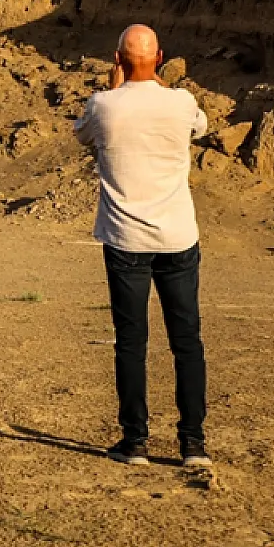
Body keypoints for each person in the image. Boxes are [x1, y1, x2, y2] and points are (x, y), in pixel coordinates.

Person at [75, 24, 212, 468]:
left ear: (116, 60)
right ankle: (193, 445)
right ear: (161, 57)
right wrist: (155, 82)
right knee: (186, 341)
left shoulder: (102, 105)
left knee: (131, 343)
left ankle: (135, 442)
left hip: (125, 239)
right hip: (177, 237)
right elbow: (200, 126)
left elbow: (82, 135)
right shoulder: (182, 102)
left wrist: (117, 88)